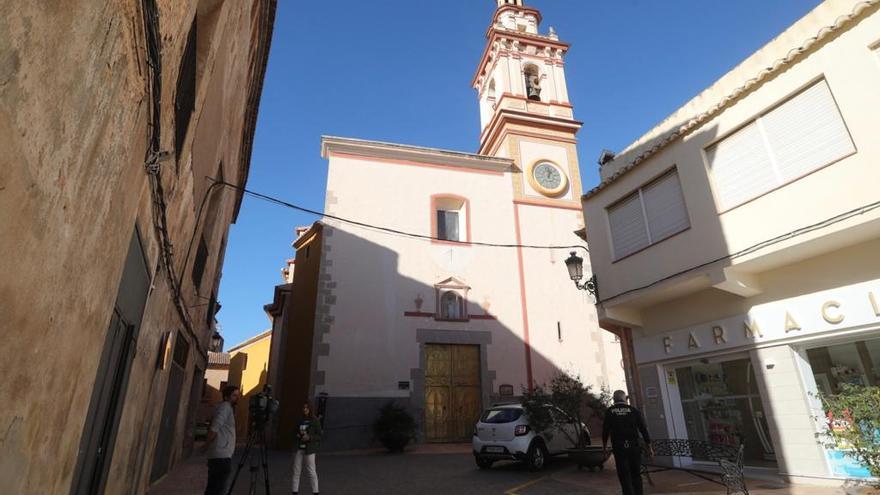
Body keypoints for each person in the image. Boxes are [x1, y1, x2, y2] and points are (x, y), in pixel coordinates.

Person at [603, 390, 653, 495]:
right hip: (634, 447)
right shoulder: (633, 410)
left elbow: (605, 431)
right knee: (636, 474)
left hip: (619, 448)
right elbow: (643, 429)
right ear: (625, 398)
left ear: (614, 399)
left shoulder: (610, 411)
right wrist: (649, 447)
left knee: (624, 475)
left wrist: (604, 447)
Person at [204, 385, 240, 495]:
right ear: (226, 397)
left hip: (221, 454)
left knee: (213, 487)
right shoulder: (225, 407)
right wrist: (206, 445)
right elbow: (215, 427)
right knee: (218, 488)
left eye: (237, 396)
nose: (236, 398)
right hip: (221, 455)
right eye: (234, 395)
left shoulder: (226, 408)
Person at [292, 401, 323, 495]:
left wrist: (310, 437)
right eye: (304, 408)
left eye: (307, 408)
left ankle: (315, 492)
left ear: (310, 409)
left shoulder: (315, 420)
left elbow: (320, 435)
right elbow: (293, 432)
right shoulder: (299, 420)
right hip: (299, 449)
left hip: (309, 450)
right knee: (296, 471)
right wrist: (297, 435)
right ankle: (294, 492)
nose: (305, 409)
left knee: (311, 471)